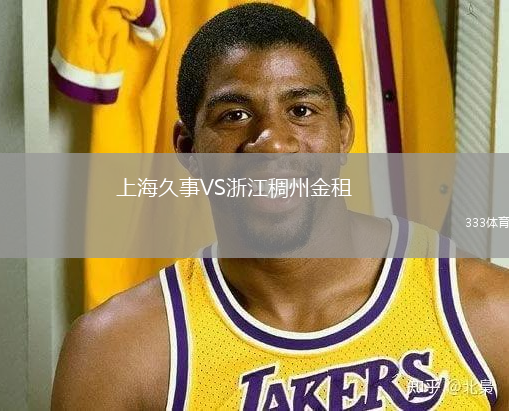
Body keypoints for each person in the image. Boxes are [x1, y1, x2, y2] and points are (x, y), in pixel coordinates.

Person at [51, 4, 509, 410]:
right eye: (234, 115)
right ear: (188, 150)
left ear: (344, 133)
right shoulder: (116, 354)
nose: (271, 141)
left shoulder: (487, 312)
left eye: (301, 110)